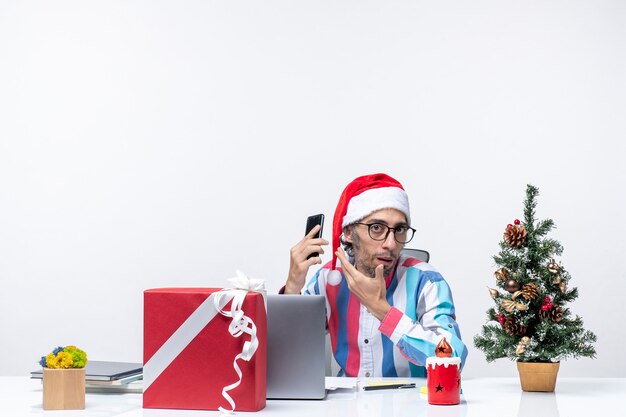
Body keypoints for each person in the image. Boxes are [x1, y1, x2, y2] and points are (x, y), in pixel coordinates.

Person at [283, 173, 468, 377]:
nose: (390, 243)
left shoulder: (426, 281)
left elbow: (454, 358)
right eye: (377, 228)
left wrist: (382, 310)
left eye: (399, 229)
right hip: (345, 405)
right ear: (348, 232)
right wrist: (292, 287)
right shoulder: (328, 279)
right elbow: (290, 352)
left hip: (410, 404)